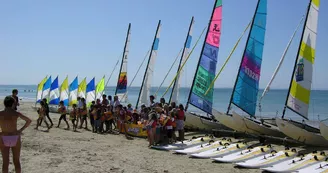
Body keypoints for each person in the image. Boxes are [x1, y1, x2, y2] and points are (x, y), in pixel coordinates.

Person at [0, 96, 31, 173]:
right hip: (15, 136)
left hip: (4, 136)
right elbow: (28, 121)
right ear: (13, 104)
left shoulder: (0, 113)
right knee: (16, 161)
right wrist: (20, 130)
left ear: (4, 104)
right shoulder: (16, 113)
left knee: (5, 162)